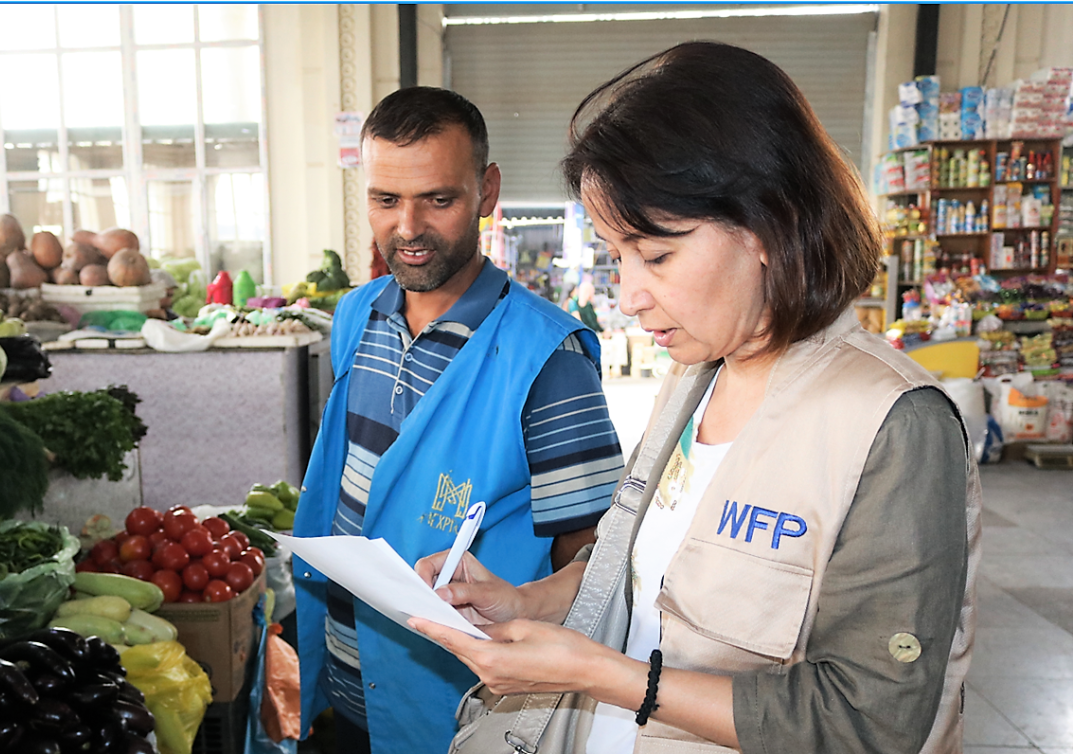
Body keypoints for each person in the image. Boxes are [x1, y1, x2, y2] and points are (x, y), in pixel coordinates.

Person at [410, 42, 980, 754]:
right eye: (615, 256)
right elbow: (639, 565)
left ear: (768, 223)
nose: (628, 297)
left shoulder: (894, 425)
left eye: (657, 255)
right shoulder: (695, 375)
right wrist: (523, 602)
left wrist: (606, 676)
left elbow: (869, 721)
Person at [292, 86, 626, 754]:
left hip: (460, 711)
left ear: (487, 190)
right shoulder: (357, 316)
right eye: (386, 200)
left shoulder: (548, 361)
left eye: (438, 200)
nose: (407, 227)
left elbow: (598, 562)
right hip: (347, 686)